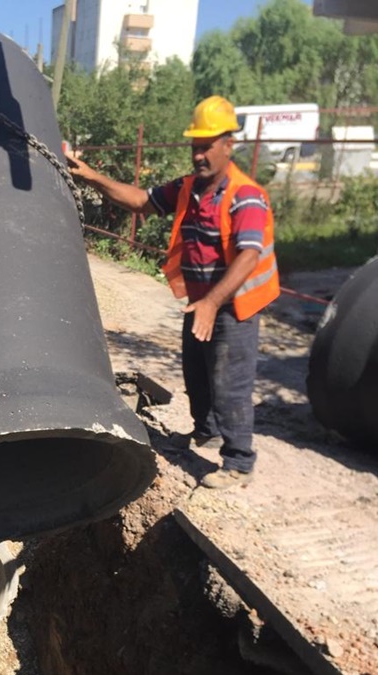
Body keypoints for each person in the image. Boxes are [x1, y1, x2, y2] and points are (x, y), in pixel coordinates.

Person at [65, 95, 280, 490]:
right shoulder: (189, 188)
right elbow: (143, 202)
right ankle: (206, 431)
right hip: (202, 302)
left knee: (230, 382)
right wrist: (91, 176)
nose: (198, 155)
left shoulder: (245, 196)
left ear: (228, 145)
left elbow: (249, 255)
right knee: (197, 374)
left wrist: (214, 304)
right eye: (194, 146)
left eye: (206, 146)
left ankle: (239, 462)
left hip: (235, 307)